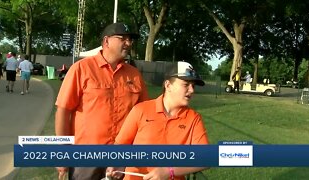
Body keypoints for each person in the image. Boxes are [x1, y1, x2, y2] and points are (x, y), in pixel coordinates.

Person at [54, 22, 149, 180]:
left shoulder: (135, 75)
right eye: (123, 39)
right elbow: (63, 110)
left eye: (130, 40)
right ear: (106, 41)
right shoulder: (81, 69)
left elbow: (144, 115)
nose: (128, 43)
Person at [107, 61, 209, 180]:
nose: (192, 90)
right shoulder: (141, 110)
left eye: (193, 86)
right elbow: (121, 145)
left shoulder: (194, 119)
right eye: (186, 84)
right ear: (168, 85)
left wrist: (169, 171)